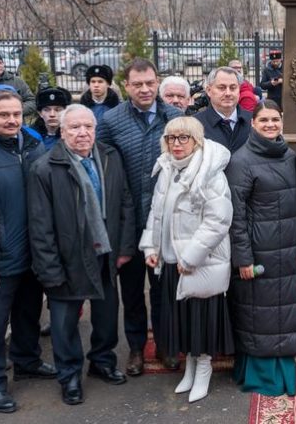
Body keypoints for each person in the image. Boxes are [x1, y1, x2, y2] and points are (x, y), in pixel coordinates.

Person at [27, 105, 137, 405]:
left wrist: (125, 247)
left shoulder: (110, 157)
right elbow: (40, 226)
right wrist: (49, 270)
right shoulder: (45, 167)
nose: (82, 133)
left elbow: (125, 202)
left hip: (106, 252)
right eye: (74, 127)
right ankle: (70, 376)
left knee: (105, 315)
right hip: (67, 258)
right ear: (62, 132)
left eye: (87, 126)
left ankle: (102, 361)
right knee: (63, 324)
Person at [0, 89, 54, 413]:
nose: (12, 120)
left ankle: (28, 360)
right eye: (4, 115)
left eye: (16, 114)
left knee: (29, 313)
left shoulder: (31, 146)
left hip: (32, 253)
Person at [139, 117, 234, 403]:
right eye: (171, 138)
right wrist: (151, 247)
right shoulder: (167, 167)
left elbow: (218, 221)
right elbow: (157, 212)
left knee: (201, 319)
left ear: (196, 141)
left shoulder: (209, 172)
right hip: (171, 260)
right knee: (182, 319)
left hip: (200, 262)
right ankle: (190, 367)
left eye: (184, 138)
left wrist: (192, 257)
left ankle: (203, 368)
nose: (177, 144)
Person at [97, 58, 183, 375]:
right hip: (127, 222)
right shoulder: (111, 120)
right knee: (132, 291)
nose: (145, 89)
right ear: (126, 86)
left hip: (164, 221)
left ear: (157, 82)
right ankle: (135, 349)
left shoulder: (174, 117)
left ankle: (165, 345)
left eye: (150, 82)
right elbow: (105, 171)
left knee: (163, 291)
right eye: (138, 84)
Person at [230, 100, 296, 397]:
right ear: (254, 123)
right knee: (259, 315)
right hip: (258, 254)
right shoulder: (241, 161)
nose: (271, 125)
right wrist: (243, 257)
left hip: (286, 251)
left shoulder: (290, 157)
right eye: (264, 120)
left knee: (283, 315)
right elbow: (236, 215)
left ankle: (285, 372)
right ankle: (262, 376)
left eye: (275, 119)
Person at [193, 66, 252, 156]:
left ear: (239, 90)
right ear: (209, 90)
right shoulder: (195, 124)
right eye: (222, 88)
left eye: (233, 88)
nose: (228, 93)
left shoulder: (253, 121)